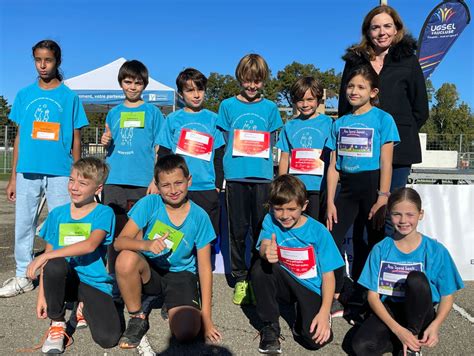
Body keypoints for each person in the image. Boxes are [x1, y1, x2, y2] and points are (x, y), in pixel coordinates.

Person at [0, 40, 89, 298]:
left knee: (63, 223)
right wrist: (13, 177)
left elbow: (76, 138)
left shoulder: (69, 97)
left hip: (61, 171)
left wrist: (78, 173)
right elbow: (18, 137)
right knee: (24, 223)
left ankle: (60, 275)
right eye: (38, 59)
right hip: (27, 170)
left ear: (57, 62)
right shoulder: (24, 95)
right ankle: (22, 275)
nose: (42, 65)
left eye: (48, 60)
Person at [114, 154, 221, 348]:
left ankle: (172, 301)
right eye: (165, 185)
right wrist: (146, 245)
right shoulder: (150, 204)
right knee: (125, 259)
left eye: (178, 183)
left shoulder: (200, 216)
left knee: (187, 333)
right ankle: (137, 316)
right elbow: (119, 242)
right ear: (156, 185)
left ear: (189, 181)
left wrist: (207, 317)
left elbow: (205, 269)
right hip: (151, 270)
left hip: (180, 274)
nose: (173, 190)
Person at [352, 187, 464, 356]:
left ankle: (412, 343)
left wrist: (435, 326)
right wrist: (397, 330)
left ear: (421, 214)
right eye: (397, 214)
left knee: (416, 280)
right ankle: (399, 340)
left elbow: (447, 295)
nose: (403, 220)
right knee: (361, 347)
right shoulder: (380, 249)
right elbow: (373, 296)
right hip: (390, 308)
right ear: (389, 214)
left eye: (410, 214)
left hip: (420, 313)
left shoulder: (435, 250)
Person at [26, 157, 122, 354]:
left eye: (83, 183)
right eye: (71, 180)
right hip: (65, 279)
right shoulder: (58, 214)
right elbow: (50, 255)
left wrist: (43, 257)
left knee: (108, 338)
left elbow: (90, 245)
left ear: (98, 189)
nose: (74, 187)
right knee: (54, 263)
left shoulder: (104, 213)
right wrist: (42, 296)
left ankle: (83, 306)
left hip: (91, 281)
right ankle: (58, 324)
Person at [326, 65, 400, 305]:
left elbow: (386, 162)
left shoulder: (383, 119)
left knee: (368, 241)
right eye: (350, 86)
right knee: (332, 238)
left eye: (361, 87)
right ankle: (339, 289)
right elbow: (333, 166)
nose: (354, 91)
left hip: (372, 187)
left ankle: (368, 294)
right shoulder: (339, 123)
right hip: (346, 189)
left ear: (373, 91)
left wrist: (383, 197)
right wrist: (329, 201)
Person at [338, 5, 429, 194]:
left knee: (391, 206)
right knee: (363, 208)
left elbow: (420, 109)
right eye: (375, 27)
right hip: (361, 148)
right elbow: (344, 106)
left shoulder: (409, 61)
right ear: (367, 32)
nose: (382, 33)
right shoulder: (354, 61)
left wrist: (399, 130)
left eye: (387, 26)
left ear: (396, 29)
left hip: (400, 149)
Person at [216, 54, 283, 305]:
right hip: (235, 176)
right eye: (247, 81)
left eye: (257, 81)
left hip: (263, 177)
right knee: (238, 230)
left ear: (264, 81)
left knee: (261, 229)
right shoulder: (227, 106)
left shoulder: (270, 109)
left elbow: (274, 141)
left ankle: (259, 276)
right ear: (240, 79)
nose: (252, 86)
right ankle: (241, 277)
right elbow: (221, 143)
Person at [251, 175, 344, 354]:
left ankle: (304, 315)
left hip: (310, 287)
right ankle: (270, 326)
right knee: (259, 268)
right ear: (271, 207)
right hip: (285, 281)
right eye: (278, 209)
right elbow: (263, 244)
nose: (285, 215)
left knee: (314, 342)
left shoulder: (319, 231)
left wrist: (324, 313)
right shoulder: (270, 220)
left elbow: (328, 276)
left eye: (291, 209)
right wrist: (265, 251)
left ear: (304, 205)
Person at [100, 60, 164, 273]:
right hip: (115, 180)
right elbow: (108, 142)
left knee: (141, 233)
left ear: (144, 84)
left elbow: (159, 149)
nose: (133, 87)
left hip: (142, 182)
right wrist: (105, 140)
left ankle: (141, 276)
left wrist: (155, 179)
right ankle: (115, 276)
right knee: (115, 233)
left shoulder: (153, 113)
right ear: (121, 83)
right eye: (128, 82)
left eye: (138, 82)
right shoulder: (113, 112)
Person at [157, 68, 225, 234]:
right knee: (180, 235)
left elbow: (219, 154)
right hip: (179, 189)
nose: (196, 95)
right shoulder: (172, 119)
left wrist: (217, 185)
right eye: (190, 90)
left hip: (206, 188)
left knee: (207, 238)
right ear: (181, 94)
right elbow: (163, 154)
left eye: (200, 89)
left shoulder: (214, 119)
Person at [276, 76, 332, 221]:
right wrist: (283, 185)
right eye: (300, 100)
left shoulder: (329, 123)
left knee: (317, 227)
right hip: (297, 189)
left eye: (310, 99)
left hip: (320, 187)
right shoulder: (289, 126)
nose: (305, 104)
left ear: (318, 99)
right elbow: (284, 157)